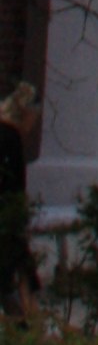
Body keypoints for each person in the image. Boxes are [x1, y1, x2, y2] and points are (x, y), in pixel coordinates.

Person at [0, 81, 39, 326]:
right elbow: (14, 188)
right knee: (16, 275)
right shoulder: (10, 138)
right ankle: (27, 327)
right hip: (5, 223)